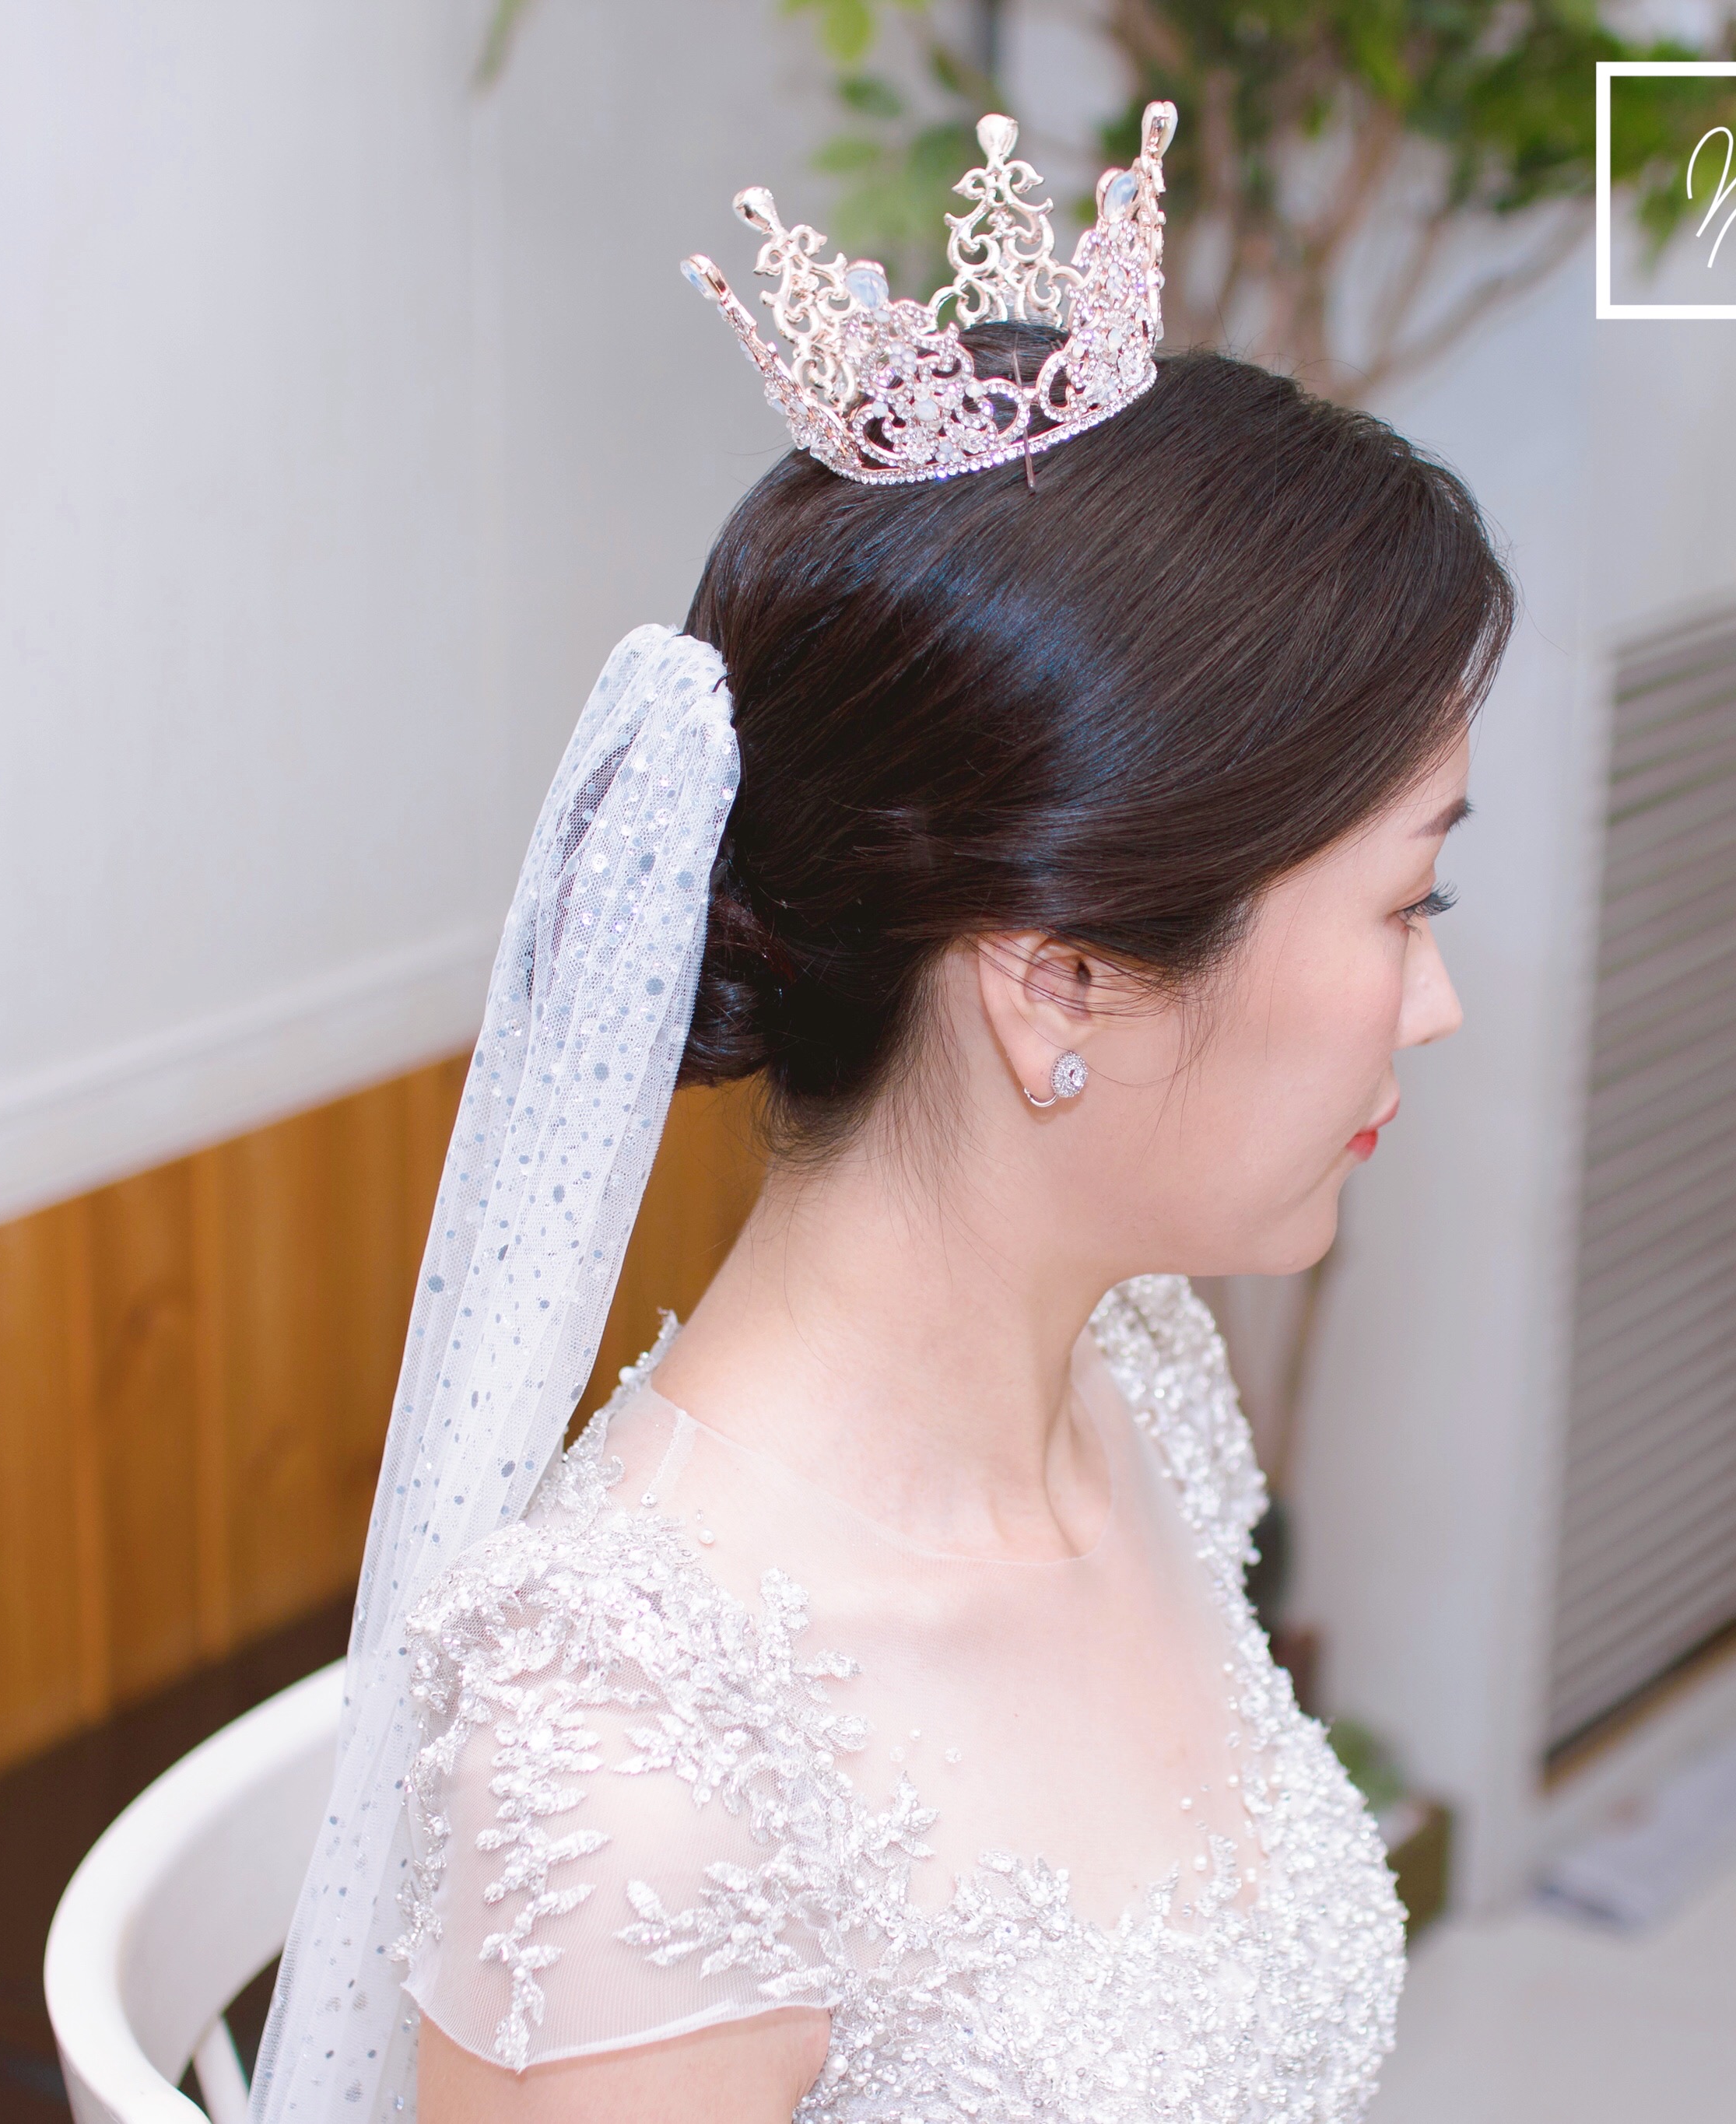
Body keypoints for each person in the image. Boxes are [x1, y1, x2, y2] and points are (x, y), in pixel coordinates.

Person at [249, 103, 1511, 2122]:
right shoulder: (641, 1734)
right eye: (1407, 903)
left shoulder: (1139, 1384)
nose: (1435, 1006)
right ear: (1058, 979)